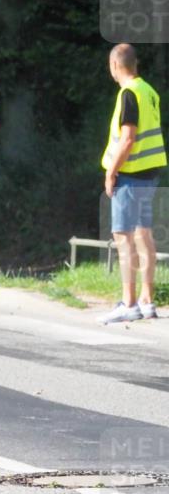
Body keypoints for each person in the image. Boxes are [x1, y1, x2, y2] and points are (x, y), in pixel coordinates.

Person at [99, 43, 166, 324]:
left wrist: (111, 172)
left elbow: (128, 138)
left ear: (115, 66)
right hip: (150, 174)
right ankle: (147, 301)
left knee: (123, 237)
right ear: (135, 64)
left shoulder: (128, 93)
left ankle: (128, 303)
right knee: (143, 235)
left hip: (130, 174)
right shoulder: (149, 91)